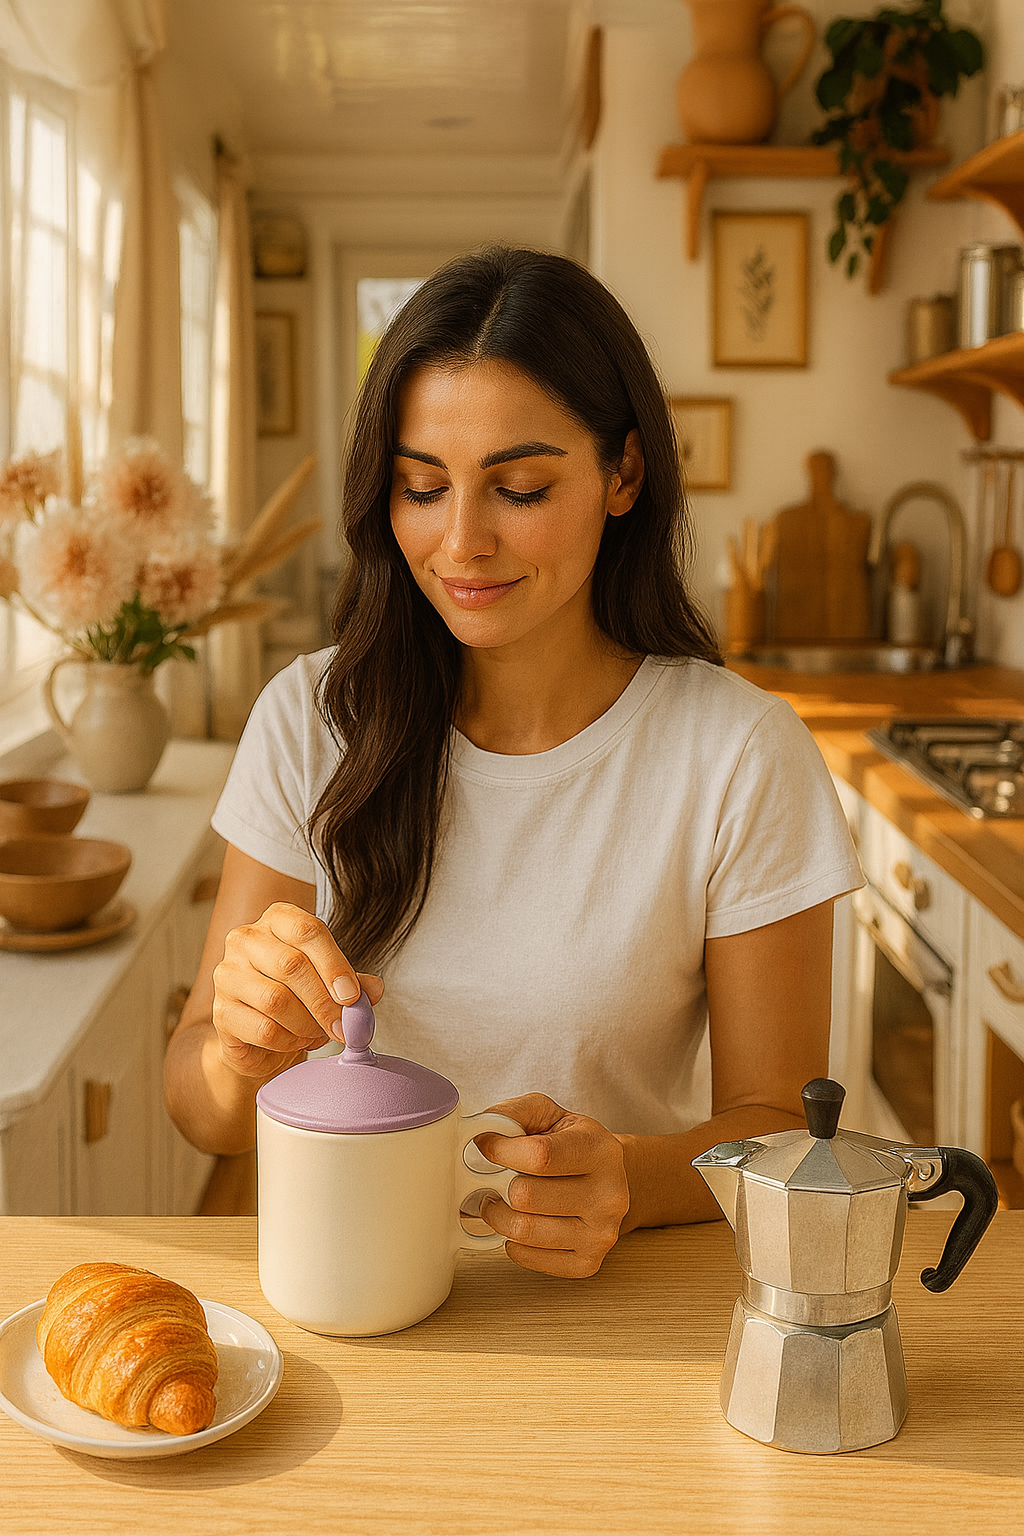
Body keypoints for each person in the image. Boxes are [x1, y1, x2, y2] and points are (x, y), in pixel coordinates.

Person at [164, 246, 862, 1279]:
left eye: (520, 487)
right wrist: (235, 1050)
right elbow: (201, 1110)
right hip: (337, 1289)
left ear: (622, 474)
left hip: (602, 1303)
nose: (461, 542)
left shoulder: (738, 754)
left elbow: (780, 1131)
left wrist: (629, 1177)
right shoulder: (310, 721)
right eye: (420, 486)